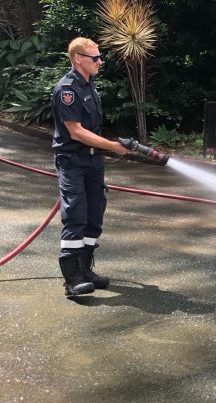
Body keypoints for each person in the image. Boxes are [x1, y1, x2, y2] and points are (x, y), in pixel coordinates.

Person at [51, 37, 129, 296]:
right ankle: (72, 279)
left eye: (99, 57)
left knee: (94, 215)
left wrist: (106, 148)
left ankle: (85, 270)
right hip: (73, 161)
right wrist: (112, 146)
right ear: (78, 59)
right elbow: (76, 132)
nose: (100, 62)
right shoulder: (68, 90)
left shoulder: (89, 86)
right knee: (76, 215)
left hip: (94, 161)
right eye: (94, 58)